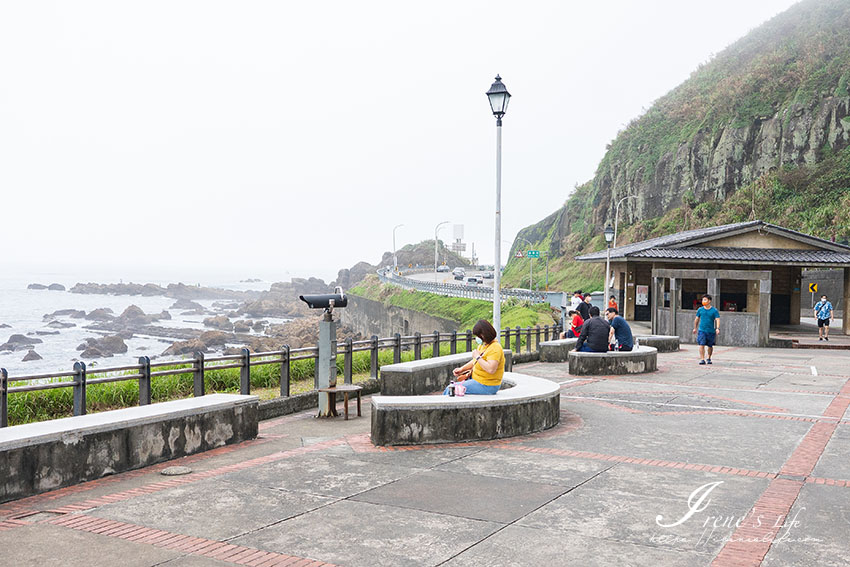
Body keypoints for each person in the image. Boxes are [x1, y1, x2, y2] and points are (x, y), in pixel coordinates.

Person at [445, 319, 505, 395]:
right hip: (477, 380)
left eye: (478, 336)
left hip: (488, 385)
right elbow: (475, 362)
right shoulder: (484, 345)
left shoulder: (495, 348)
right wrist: (461, 369)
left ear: (483, 335)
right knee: (451, 388)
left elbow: (491, 369)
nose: (477, 338)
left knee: (451, 389)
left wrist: (477, 357)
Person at [693, 294, 720, 365]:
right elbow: (697, 319)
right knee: (701, 344)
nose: (703, 301)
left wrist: (717, 328)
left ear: (709, 301)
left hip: (711, 331)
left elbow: (717, 319)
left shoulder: (714, 310)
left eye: (705, 300)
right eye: (702, 300)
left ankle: (709, 357)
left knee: (710, 346)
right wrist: (695, 328)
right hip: (702, 330)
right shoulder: (700, 310)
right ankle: (702, 359)